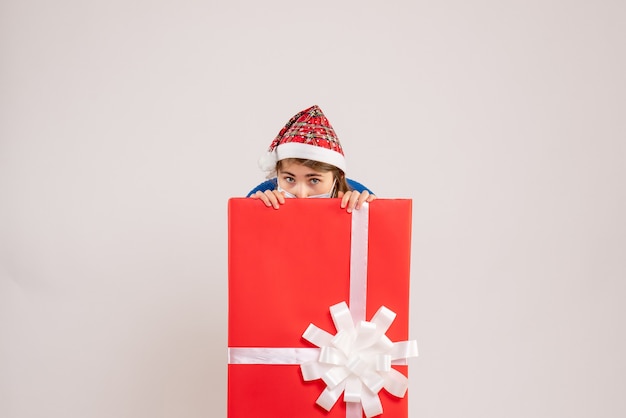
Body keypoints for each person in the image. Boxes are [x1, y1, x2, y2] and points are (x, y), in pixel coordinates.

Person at [248, 105, 376, 213]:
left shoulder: (359, 215)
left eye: (314, 180)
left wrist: (369, 216)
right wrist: (256, 215)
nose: (301, 195)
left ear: (337, 178)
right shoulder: (265, 207)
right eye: (289, 179)